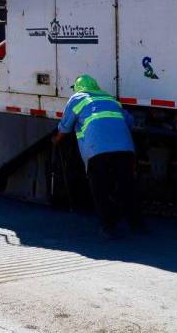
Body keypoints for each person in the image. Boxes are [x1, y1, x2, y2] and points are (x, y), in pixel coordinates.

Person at [52, 74, 143, 238]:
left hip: (97, 150)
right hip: (125, 148)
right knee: (126, 186)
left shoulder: (77, 98)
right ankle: (136, 225)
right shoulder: (110, 99)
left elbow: (65, 127)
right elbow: (129, 121)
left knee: (100, 188)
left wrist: (56, 140)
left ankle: (108, 227)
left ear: (78, 88)